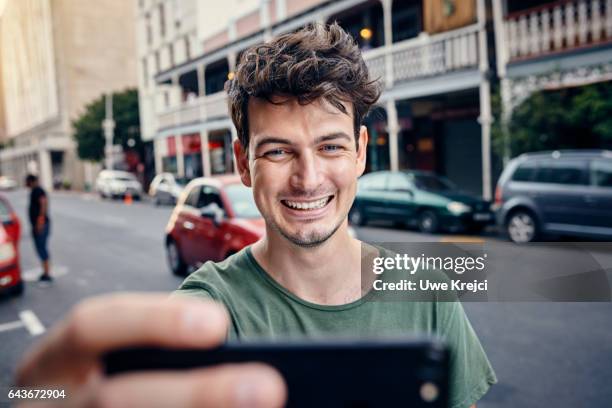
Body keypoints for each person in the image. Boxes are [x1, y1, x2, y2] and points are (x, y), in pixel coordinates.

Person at [16, 23, 495, 407]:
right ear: (244, 163)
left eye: (330, 146)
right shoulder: (210, 309)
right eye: (279, 152)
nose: (308, 178)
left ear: (360, 153)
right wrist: (48, 391)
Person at [25, 174, 52, 282]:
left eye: (26, 181)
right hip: (38, 225)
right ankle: (45, 272)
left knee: (41, 248)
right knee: (40, 248)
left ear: (31, 181)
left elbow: (43, 203)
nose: (25, 184)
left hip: (41, 225)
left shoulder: (38, 190)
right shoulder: (34, 191)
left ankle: (47, 274)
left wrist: (40, 222)